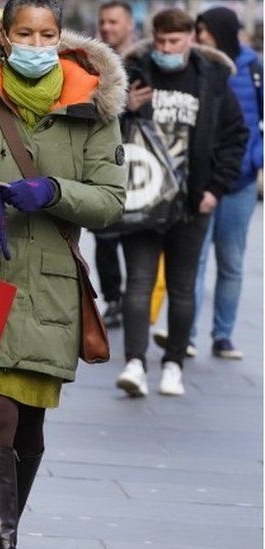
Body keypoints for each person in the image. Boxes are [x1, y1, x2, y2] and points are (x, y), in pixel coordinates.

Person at [0, 0, 126, 545]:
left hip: (51, 290)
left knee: (29, 425)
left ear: (60, 38)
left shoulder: (94, 111)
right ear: (5, 37)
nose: (36, 45)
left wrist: (55, 191)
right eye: (24, 33)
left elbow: (110, 202)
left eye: (47, 34)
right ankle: (2, 540)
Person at [115, 9, 247, 397]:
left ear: (190, 38)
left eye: (174, 42)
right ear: (152, 38)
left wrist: (214, 190)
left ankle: (173, 364)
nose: (166, 49)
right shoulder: (134, 71)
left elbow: (234, 135)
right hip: (143, 197)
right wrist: (126, 107)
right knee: (137, 283)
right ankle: (135, 363)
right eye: (160, 42)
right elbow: (102, 129)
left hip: (191, 202)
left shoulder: (212, 78)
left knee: (183, 287)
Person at [185, 7, 263, 360]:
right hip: (201, 179)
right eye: (197, 30)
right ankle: (184, 334)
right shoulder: (196, 63)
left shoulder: (253, 67)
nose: (200, 37)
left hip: (241, 180)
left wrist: (256, 159)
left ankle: (223, 335)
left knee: (231, 261)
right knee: (194, 259)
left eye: (206, 30)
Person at [94, 0, 136, 327]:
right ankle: (112, 299)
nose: (108, 28)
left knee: (137, 238)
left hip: (139, 166)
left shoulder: (144, 63)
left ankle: (135, 299)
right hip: (101, 164)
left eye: (114, 22)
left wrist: (132, 106)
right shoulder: (92, 63)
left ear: (129, 25)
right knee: (105, 239)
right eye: (103, 22)